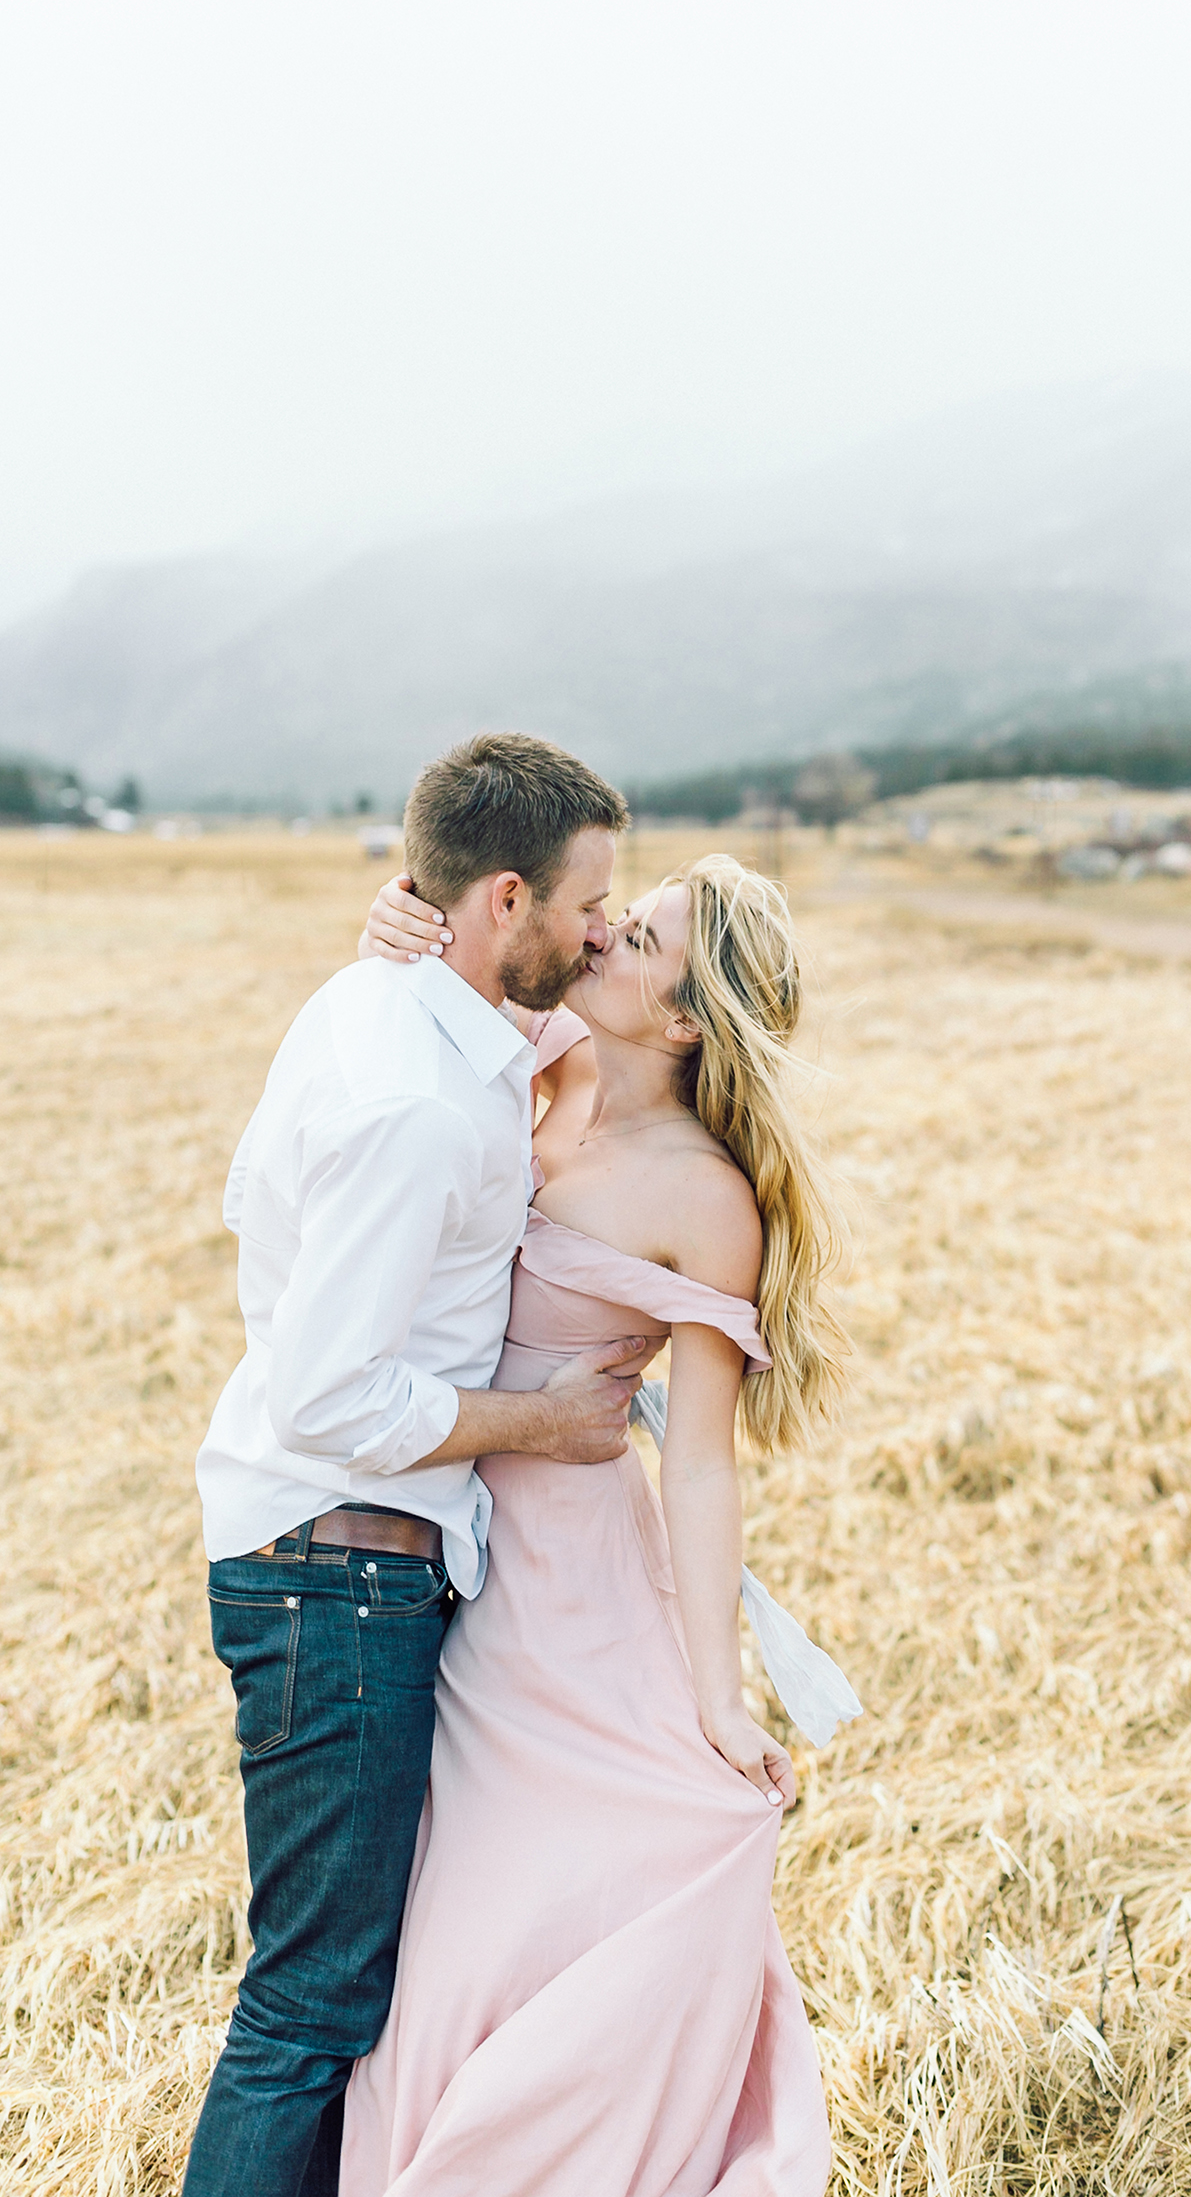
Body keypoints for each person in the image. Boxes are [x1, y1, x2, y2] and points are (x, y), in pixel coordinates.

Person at [338, 852, 851, 2194]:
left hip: (571, 1588)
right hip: (440, 1530)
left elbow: (698, 1465)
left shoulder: (704, 1200)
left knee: (547, 1898)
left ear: (684, 1020)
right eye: (622, 913)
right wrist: (399, 920)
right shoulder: (542, 1040)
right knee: (439, 1932)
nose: (603, 933)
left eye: (640, 936)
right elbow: (411, 1011)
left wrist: (721, 1702)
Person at [185, 734, 651, 2197]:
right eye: (589, 903)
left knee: (335, 1998)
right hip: (340, 1579)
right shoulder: (413, 1100)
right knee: (312, 2004)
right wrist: (546, 1421)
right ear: (504, 896)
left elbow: (246, 1191)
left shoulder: (386, 1003)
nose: (599, 932)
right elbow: (333, 1392)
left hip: (345, 1570)